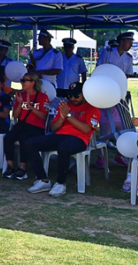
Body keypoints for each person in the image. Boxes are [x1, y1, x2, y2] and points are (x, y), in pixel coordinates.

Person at [26, 82, 100, 196]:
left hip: (79, 139)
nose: (73, 99)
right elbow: (54, 127)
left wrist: (68, 116)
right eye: (70, 96)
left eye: (76, 96)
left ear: (84, 94)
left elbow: (86, 129)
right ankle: (43, 179)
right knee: (30, 143)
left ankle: (61, 183)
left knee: (63, 147)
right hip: (60, 135)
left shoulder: (93, 108)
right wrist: (61, 118)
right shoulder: (66, 105)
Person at [96, 32, 134, 187]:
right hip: (105, 93)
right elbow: (99, 69)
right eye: (129, 41)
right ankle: (100, 157)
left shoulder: (129, 58)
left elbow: (128, 75)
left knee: (124, 126)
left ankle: (120, 154)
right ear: (121, 42)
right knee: (105, 125)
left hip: (120, 96)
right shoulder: (108, 52)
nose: (130, 44)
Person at [1, 73, 49, 180]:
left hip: (37, 127)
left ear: (33, 82)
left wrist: (31, 107)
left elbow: (44, 116)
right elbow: (16, 115)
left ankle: (22, 168)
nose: (22, 82)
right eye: (21, 80)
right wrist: (19, 104)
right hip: (22, 124)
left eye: (25, 80)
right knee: (8, 137)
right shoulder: (20, 95)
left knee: (24, 138)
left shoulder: (42, 96)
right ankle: (10, 166)